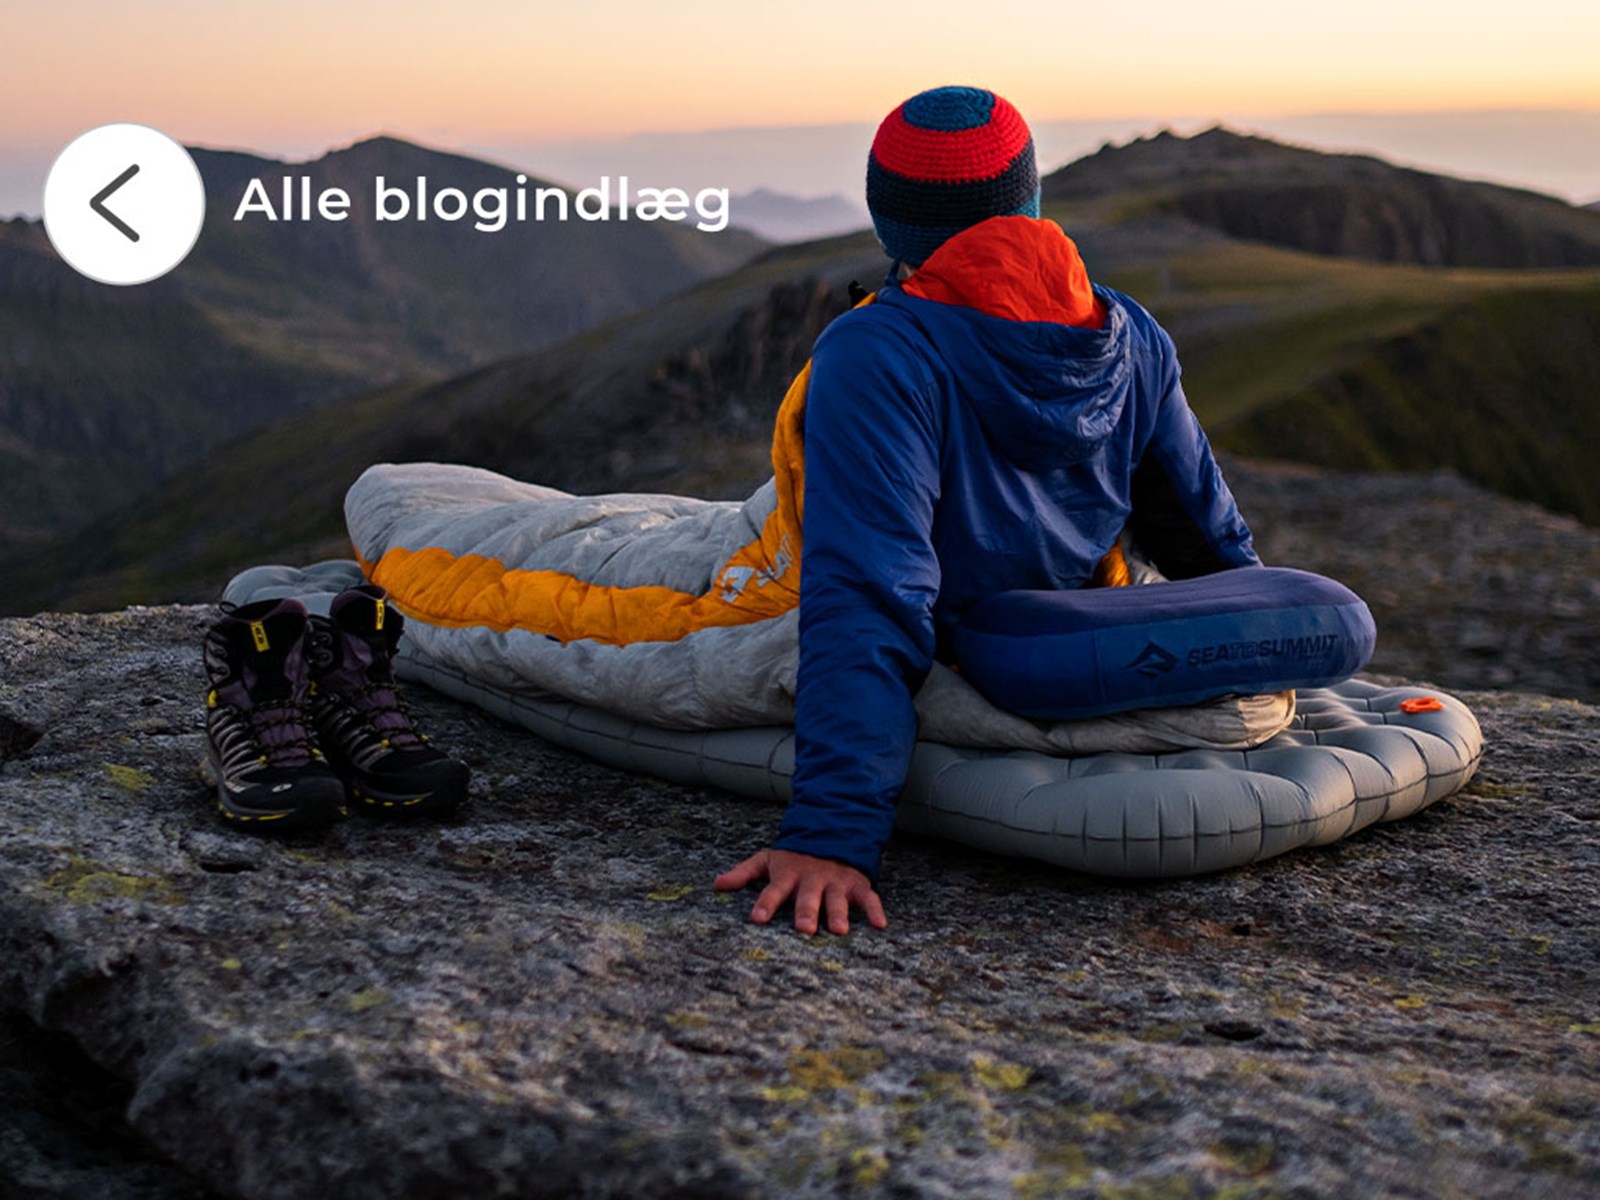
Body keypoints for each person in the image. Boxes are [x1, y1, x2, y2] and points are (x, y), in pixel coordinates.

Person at [714, 85, 1258, 934]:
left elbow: (869, 592)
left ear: (889, 224)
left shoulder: (878, 349)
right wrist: (1259, 647)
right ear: (1028, 199)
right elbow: (1204, 540)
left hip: (795, 589)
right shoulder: (1128, 333)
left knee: (516, 585)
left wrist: (832, 835)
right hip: (1045, 617)